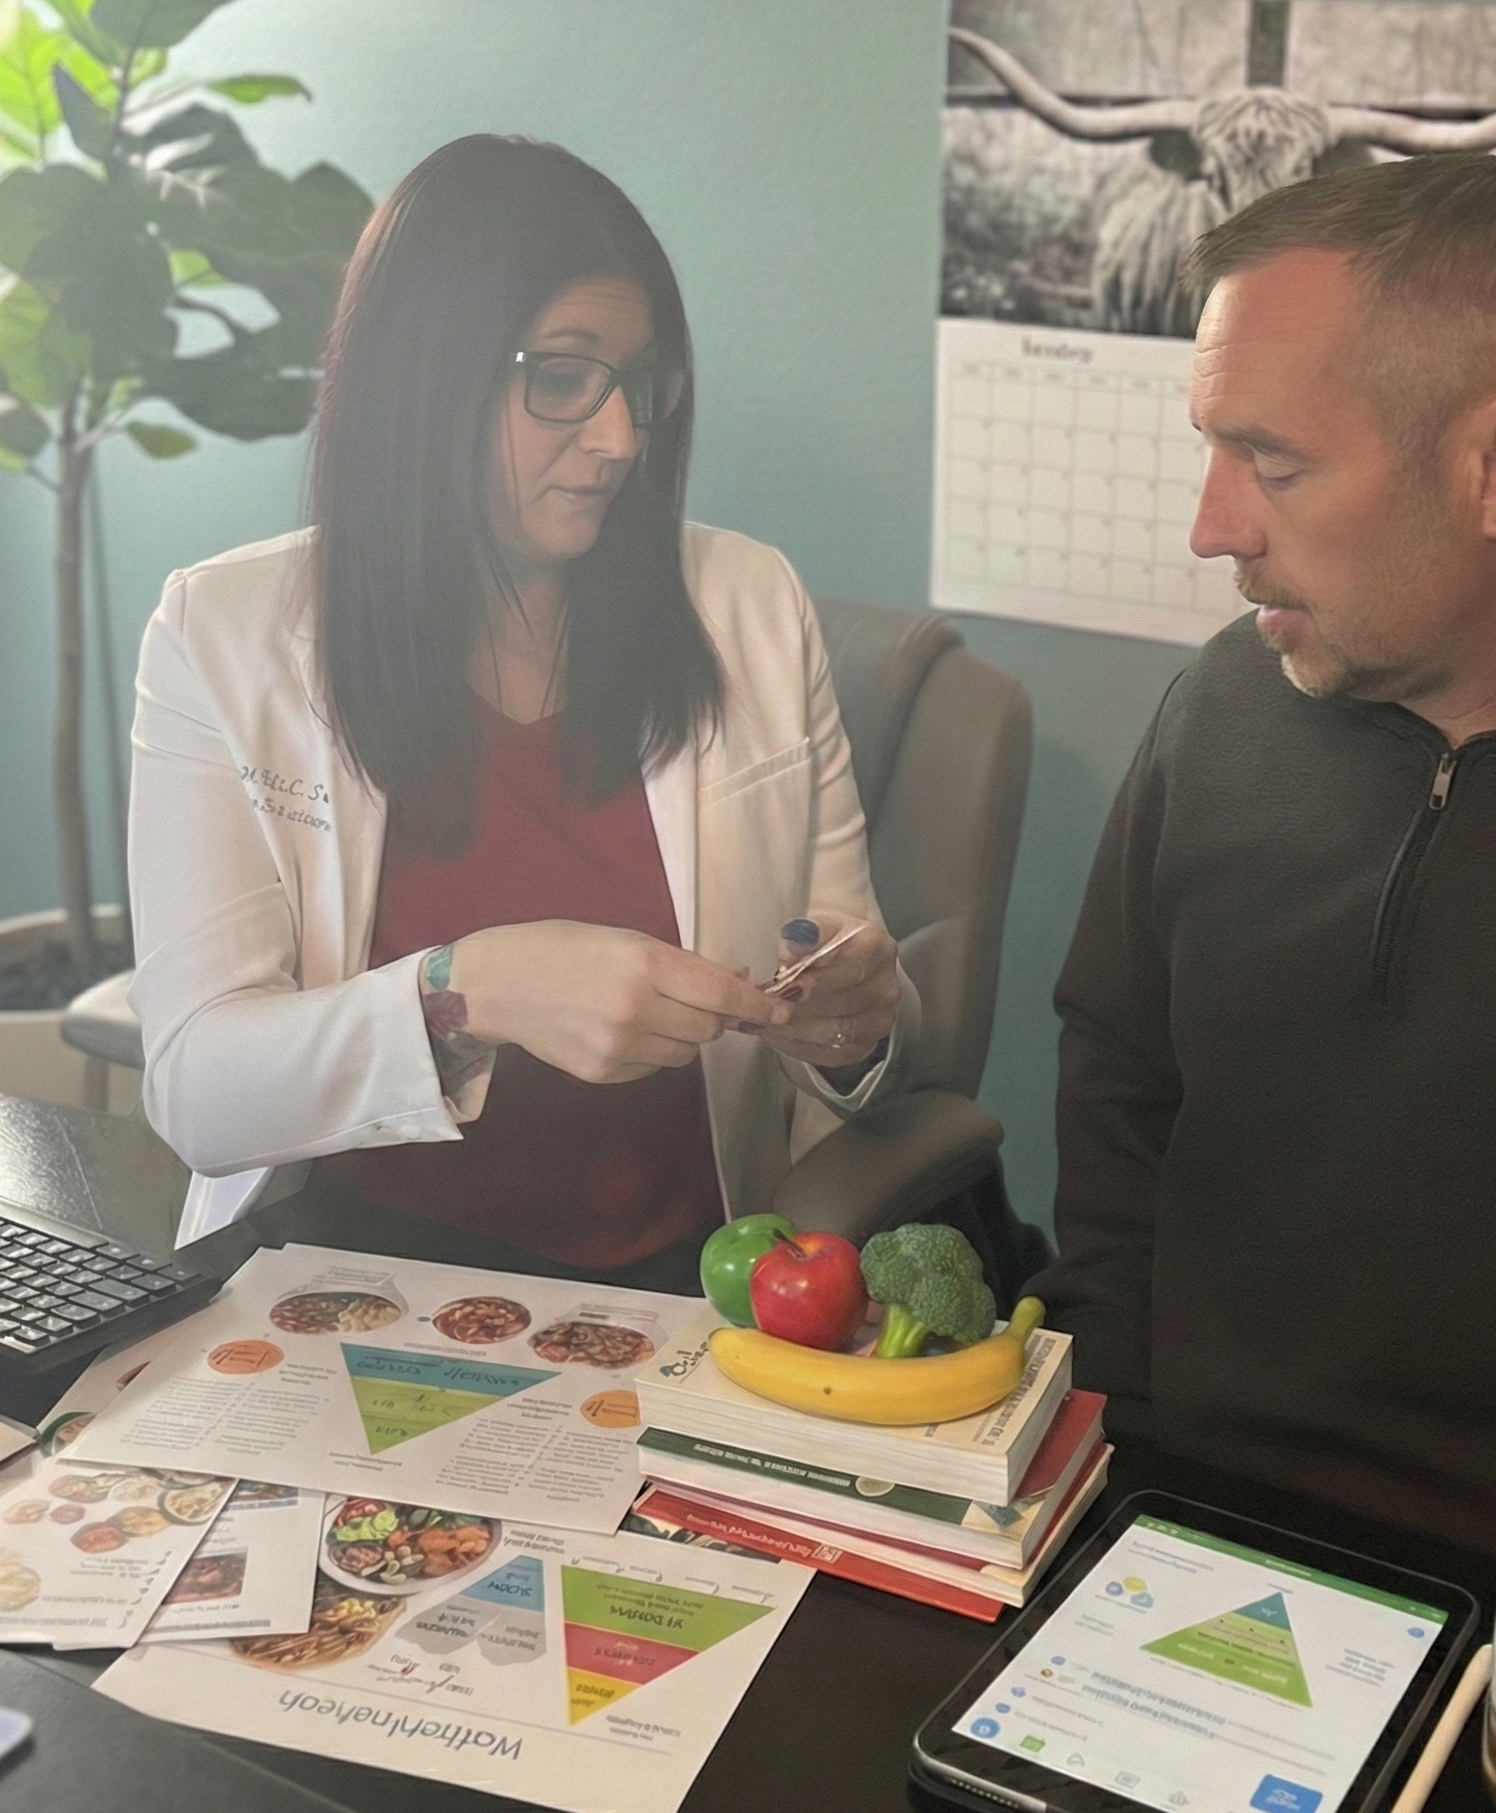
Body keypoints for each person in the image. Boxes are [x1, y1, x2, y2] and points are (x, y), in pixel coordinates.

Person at [1035, 154, 1496, 1551]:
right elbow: (1120, 1070)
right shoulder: (1226, 708)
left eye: (1277, 464)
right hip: (1169, 1521)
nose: (1210, 528)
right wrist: (1111, 1404)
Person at [129, 136, 914, 1286]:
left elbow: (845, 1008)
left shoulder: (749, 603)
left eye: (638, 382)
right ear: (423, 376)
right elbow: (200, 1087)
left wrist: (852, 1026)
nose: (618, 438)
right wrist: (469, 990)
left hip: (688, 1284)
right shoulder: (221, 635)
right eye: (561, 376)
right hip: (352, 1283)